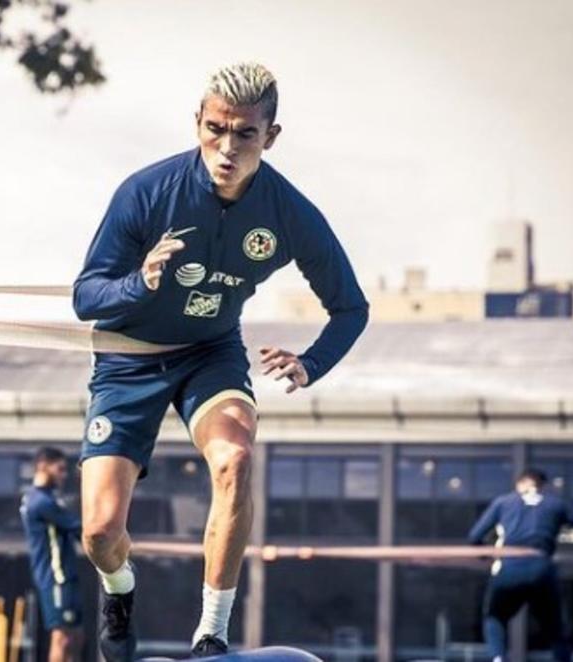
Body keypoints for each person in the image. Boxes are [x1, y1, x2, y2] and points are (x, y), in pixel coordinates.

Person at [72, 62, 369, 659]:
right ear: (198, 123)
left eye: (245, 134)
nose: (227, 148)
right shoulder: (147, 192)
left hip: (210, 354)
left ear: (270, 137)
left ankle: (212, 633)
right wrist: (139, 283)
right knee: (100, 533)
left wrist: (312, 362)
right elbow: (86, 296)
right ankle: (119, 589)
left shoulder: (290, 213)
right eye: (215, 129)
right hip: (127, 361)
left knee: (236, 458)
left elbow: (351, 308)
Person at [468, 468, 573, 662]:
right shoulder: (555, 504)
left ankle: (498, 657)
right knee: (555, 626)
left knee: (495, 617)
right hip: (541, 569)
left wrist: (486, 554)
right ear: (542, 486)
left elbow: (474, 537)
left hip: (509, 568)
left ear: (519, 484)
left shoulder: (504, 503)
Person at [20, 447, 85, 662]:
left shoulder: (47, 498)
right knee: (62, 637)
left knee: (76, 636)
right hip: (56, 578)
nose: (63, 475)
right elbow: (79, 529)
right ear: (43, 466)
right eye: (60, 469)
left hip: (66, 577)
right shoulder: (40, 502)